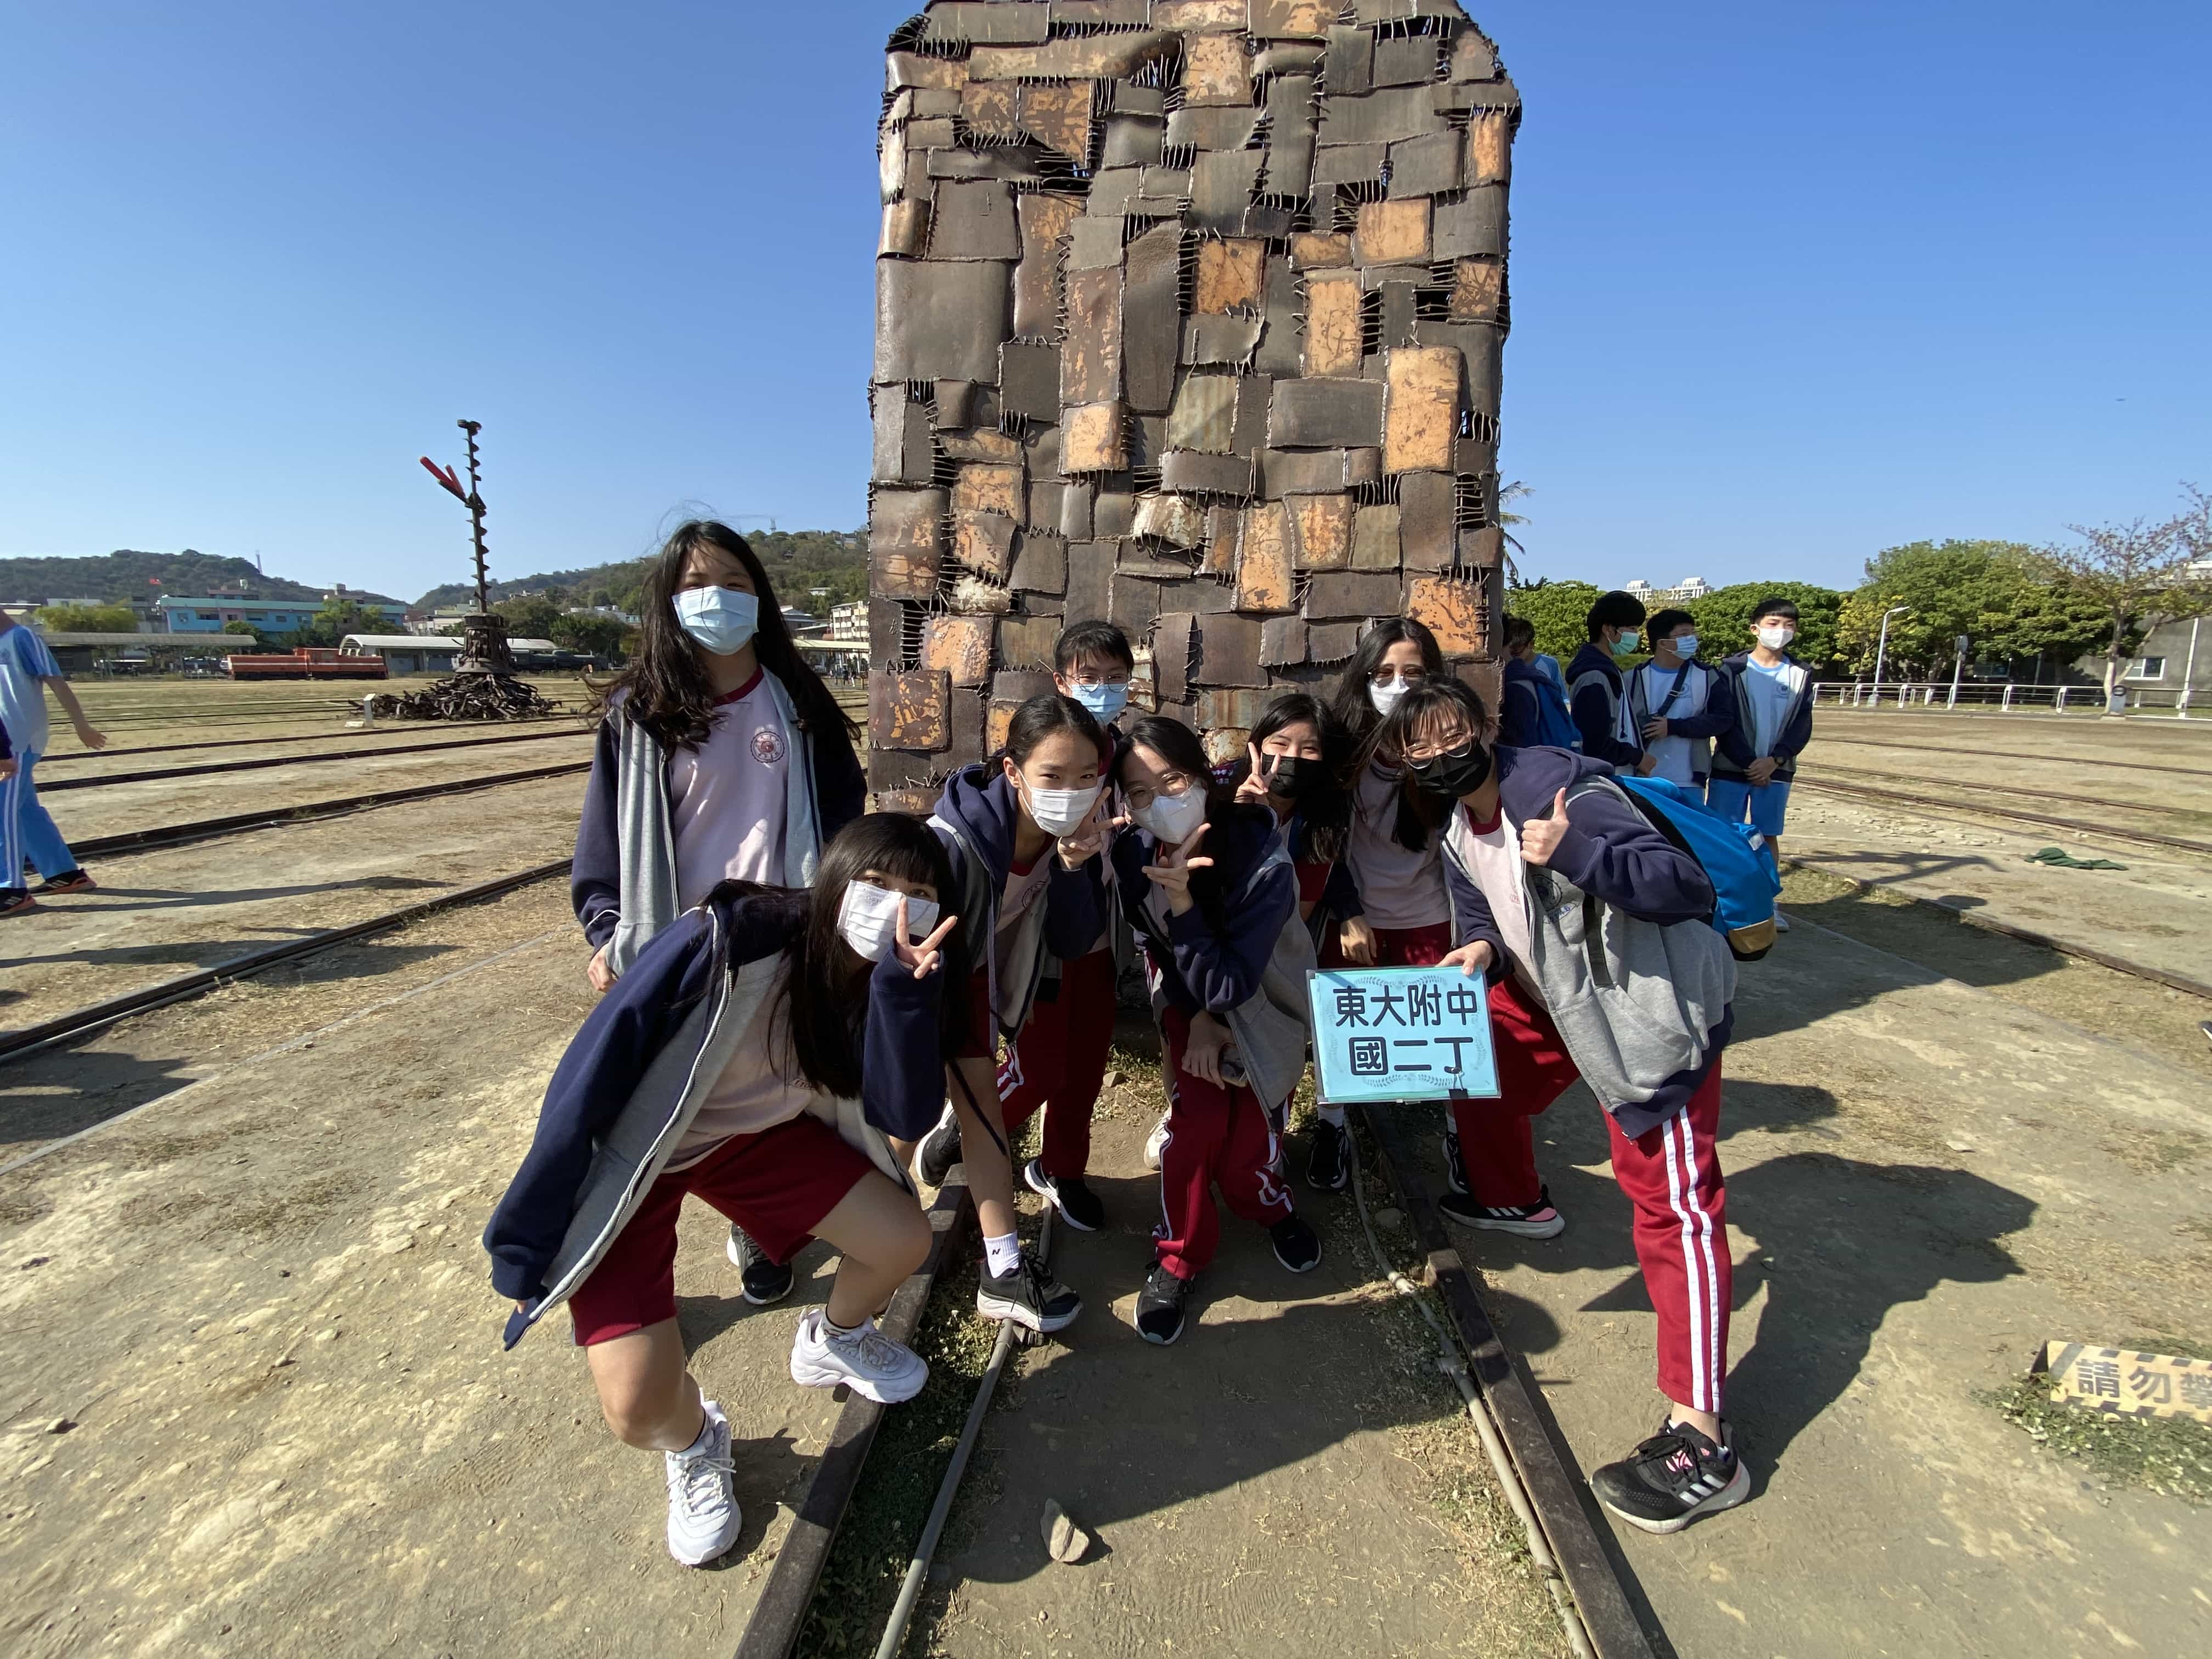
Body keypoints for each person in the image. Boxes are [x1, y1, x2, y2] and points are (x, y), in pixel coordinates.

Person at [484, 814, 963, 1567]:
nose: (895, 905)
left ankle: (835, 1339)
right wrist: (525, 1243)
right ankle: (696, 1438)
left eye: (920, 894)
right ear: (832, 880)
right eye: (875, 882)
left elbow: (904, 1115)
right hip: (639, 1161)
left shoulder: (896, 977)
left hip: (753, 1142)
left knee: (903, 1238)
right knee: (635, 1408)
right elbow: (589, 1075)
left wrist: (904, 997)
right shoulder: (731, 939)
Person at [1373, 676, 1746, 1534]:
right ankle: (1509, 1197)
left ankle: (1704, 1439)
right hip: (1567, 1008)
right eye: (1418, 748)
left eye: (1452, 736)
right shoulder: (1459, 824)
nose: (1438, 756)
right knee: (1480, 1070)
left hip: (1647, 1025)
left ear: (1486, 728)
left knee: (1676, 1209)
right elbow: (1483, 909)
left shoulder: (1562, 791)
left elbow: (1682, 886)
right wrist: (1478, 951)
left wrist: (1579, 852)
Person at [571, 519, 866, 1305]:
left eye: (735, 583)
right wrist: (608, 930)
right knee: (677, 1107)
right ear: (669, 601)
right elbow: (604, 846)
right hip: (682, 952)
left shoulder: (796, 702)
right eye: (698, 585)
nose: (719, 599)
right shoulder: (639, 716)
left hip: (783, 938)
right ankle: (637, 1270)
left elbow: (843, 812)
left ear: (760, 597)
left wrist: (838, 906)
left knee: (777, 1089)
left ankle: (760, 1225)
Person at [1111, 716, 1322, 1344]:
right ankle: (1179, 1255)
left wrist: (1183, 903)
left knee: (1248, 1147)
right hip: (1192, 1001)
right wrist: (1197, 1019)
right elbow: (1157, 944)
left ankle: (1268, 1205)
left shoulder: (1259, 858)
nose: (1159, 803)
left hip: (1267, 1006)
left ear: (1204, 777)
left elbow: (1235, 983)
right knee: (1195, 1128)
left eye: (1173, 781)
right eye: (1140, 793)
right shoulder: (1132, 854)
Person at [919, 693, 1105, 1334]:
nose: (1071, 793)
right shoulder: (954, 842)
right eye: (1052, 776)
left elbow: (1073, 942)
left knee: (982, 1116)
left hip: (979, 981)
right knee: (903, 1118)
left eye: (1086, 777)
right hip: (927, 982)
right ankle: (877, 1234)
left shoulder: (1073, 838)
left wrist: (1075, 867)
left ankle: (1001, 1267)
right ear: (1013, 771)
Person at [985, 620, 1139, 1233]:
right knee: (1040, 1066)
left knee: (1087, 1067)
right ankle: (971, 1127)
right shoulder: (1036, 752)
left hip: (1099, 936)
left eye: (1115, 677)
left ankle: (1061, 1169)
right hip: (1042, 940)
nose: (1102, 688)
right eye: (1088, 676)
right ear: (1060, 681)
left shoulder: (1127, 755)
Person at [1227, 692, 1362, 1190]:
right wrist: (1246, 819)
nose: (1292, 759)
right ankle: (1185, 1113)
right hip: (1220, 943)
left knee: (1317, 1016)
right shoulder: (1221, 793)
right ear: (1256, 745)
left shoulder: (1324, 814)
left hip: (1283, 942)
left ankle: (1329, 1125)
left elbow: (1298, 906)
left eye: (1310, 749)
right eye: (1280, 744)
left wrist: (1349, 909)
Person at [1331, 618, 1447, 974]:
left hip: (1430, 919)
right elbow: (1321, 841)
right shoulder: (1341, 749)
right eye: (1384, 673)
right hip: (1352, 923)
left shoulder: (1451, 752)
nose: (1398, 686)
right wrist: (1346, 909)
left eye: (1413, 673)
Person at [1711, 597, 1813, 932]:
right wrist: (1749, 762)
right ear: (1755, 629)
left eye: (1789, 625)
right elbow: (1725, 722)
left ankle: (1768, 904)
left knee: (1767, 835)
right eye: (1773, 624)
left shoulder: (1801, 674)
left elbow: (1802, 725)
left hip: (1776, 771)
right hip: (1732, 768)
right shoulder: (1731, 670)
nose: (1781, 631)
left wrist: (1775, 760)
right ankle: (1722, 903)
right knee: (1725, 834)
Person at [0, 608, 108, 915]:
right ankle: (64, 873)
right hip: (7, 740)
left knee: (2, 812)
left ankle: (10, 889)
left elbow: (56, 681)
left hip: (19, 739)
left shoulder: (22, 637)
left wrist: (81, 725)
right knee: (25, 810)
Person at [1627, 610, 1735, 790]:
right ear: (1663, 643)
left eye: (1693, 633)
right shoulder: (1632, 679)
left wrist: (1673, 727)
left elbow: (1724, 719)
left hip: (1689, 780)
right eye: (1685, 635)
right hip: (1641, 778)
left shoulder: (1708, 676)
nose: (1693, 639)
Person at [1566, 591, 1656, 775]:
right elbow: (1594, 743)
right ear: (1608, 630)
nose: (1636, 635)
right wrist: (1637, 757)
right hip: (1607, 778)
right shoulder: (1594, 676)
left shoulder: (1607, 670)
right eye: (1632, 629)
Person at [1498, 616, 1581, 752]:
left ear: (1531, 644)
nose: (1515, 655)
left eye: (1518, 652)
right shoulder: (1524, 678)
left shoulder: (1519, 684)